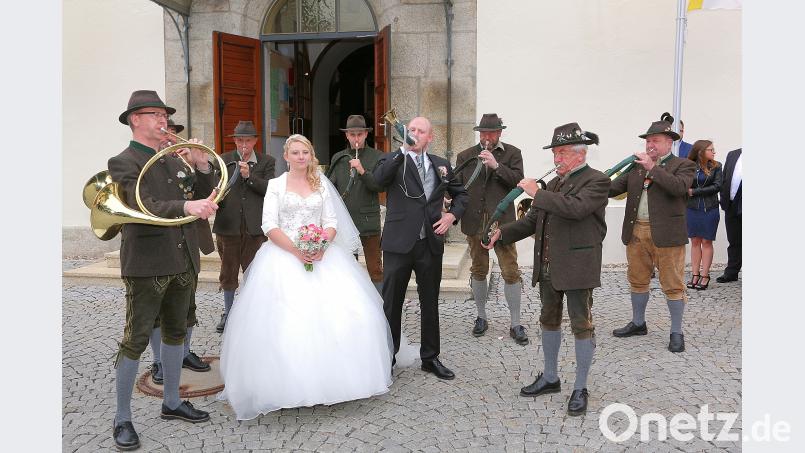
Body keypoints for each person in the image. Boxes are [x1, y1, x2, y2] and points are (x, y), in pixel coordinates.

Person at [217, 134, 394, 420]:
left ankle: (335, 380)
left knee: (345, 316)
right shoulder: (276, 185)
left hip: (323, 256)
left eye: (305, 152)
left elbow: (331, 222)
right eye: (296, 152)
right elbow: (269, 225)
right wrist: (297, 251)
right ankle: (286, 385)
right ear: (286, 156)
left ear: (311, 156)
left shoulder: (320, 185)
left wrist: (321, 244)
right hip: (283, 256)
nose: (301, 157)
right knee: (286, 322)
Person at [108, 90, 216, 450]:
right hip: (147, 262)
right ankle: (122, 417)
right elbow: (144, 204)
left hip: (182, 258)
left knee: (176, 332)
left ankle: (171, 401)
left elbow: (202, 196)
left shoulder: (172, 159)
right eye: (154, 114)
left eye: (164, 114)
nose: (163, 120)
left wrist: (202, 165)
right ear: (135, 120)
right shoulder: (123, 162)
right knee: (136, 338)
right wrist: (187, 205)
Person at [484, 122, 609, 416]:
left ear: (581, 153)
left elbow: (575, 208)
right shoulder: (554, 184)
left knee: (581, 324)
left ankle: (580, 387)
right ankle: (551, 378)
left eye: (562, 152)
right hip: (549, 266)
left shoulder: (597, 180)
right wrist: (503, 233)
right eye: (555, 153)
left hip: (578, 266)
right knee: (548, 320)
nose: (556, 158)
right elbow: (533, 221)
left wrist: (536, 193)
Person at [372, 116, 468, 380]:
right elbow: (377, 181)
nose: (415, 134)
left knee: (430, 302)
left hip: (429, 243)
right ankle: (387, 357)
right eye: (411, 129)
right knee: (392, 303)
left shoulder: (441, 164)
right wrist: (402, 151)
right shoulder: (392, 159)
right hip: (398, 243)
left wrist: (451, 216)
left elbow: (461, 194)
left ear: (430, 137)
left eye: (420, 131)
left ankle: (430, 358)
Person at [609, 115, 696, 353]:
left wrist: (652, 168)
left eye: (655, 140)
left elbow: (679, 188)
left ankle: (676, 331)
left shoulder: (683, 165)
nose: (650, 145)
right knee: (637, 279)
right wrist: (591, 180)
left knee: (673, 283)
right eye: (648, 141)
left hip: (667, 234)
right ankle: (638, 323)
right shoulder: (637, 167)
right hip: (636, 230)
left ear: (669, 142)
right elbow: (613, 188)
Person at [148, 118, 214, 385]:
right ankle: (158, 360)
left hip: (187, 241)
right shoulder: (146, 163)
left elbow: (206, 195)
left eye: (173, 133)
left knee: (187, 303)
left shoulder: (182, 163)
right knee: (156, 308)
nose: (170, 137)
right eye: (165, 132)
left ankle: (183, 352)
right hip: (158, 243)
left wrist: (199, 165)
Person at [455, 113, 527, 344]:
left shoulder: (513, 153)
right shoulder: (466, 156)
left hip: (503, 223)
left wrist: (497, 166)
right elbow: (456, 186)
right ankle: (481, 317)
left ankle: (515, 323)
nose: (487, 137)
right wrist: (447, 200)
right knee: (478, 270)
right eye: (483, 133)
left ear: (499, 133)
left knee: (510, 271)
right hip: (475, 222)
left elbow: (519, 183)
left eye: (492, 133)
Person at [212, 120, 276, 333]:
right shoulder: (224, 160)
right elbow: (216, 188)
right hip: (228, 226)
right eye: (240, 140)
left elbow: (270, 189)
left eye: (248, 140)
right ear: (235, 141)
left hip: (254, 228)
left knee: (253, 273)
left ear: (255, 141)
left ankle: (251, 313)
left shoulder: (267, 161)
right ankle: (229, 313)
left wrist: (250, 177)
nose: (244, 145)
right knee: (228, 273)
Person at [326, 115, 385, 293]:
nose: (356, 138)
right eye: (352, 134)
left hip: (368, 220)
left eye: (360, 134)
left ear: (366, 134)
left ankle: (380, 303)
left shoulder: (377, 156)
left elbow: (379, 186)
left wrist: (362, 171)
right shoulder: (339, 157)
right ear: (347, 136)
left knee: (375, 267)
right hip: (344, 221)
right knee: (348, 267)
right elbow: (329, 187)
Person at [685, 140, 723, 291]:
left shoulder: (716, 166)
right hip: (692, 208)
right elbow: (684, 182)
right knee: (695, 241)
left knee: (706, 241)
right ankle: (695, 274)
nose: (714, 152)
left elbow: (717, 186)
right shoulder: (688, 166)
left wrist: (695, 192)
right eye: (710, 150)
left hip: (710, 208)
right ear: (701, 152)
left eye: (713, 150)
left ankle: (705, 275)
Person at [716, 148, 742, 283]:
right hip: (731, 205)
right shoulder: (733, 154)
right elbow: (725, 178)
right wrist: (723, 199)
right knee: (734, 240)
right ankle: (732, 272)